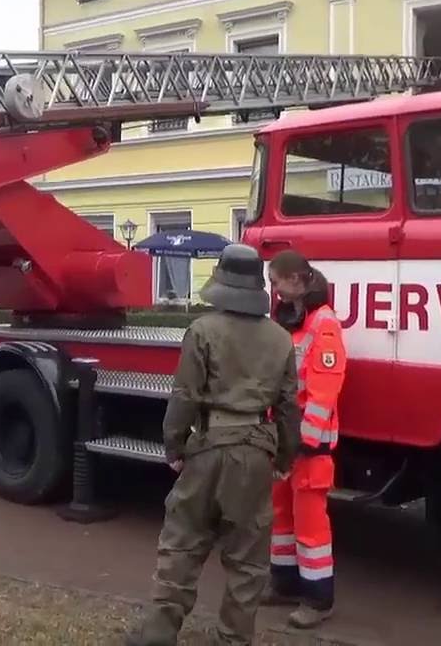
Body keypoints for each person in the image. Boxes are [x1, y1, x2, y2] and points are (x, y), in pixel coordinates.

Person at [127, 244, 301, 646]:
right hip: (256, 453)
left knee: (182, 544)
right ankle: (234, 640)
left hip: (207, 447)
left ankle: (157, 634)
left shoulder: (202, 330)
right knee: (248, 560)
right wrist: (285, 456)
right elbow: (289, 406)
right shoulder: (281, 339)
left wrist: (174, 446)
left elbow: (184, 395)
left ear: (221, 280)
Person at [262, 249, 346, 629]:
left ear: (296, 280)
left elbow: (323, 392)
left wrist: (305, 440)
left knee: (311, 524)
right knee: (281, 515)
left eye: (276, 282)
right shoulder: (294, 319)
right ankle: (284, 583)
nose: (274, 290)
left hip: (310, 447)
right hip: (287, 440)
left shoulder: (323, 324)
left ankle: (318, 598)